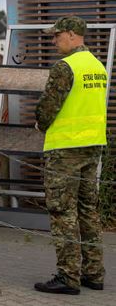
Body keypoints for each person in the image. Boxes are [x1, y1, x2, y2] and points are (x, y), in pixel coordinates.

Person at [33, 16, 106, 295]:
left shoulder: (65, 67)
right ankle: (94, 273)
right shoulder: (97, 66)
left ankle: (68, 277)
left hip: (65, 150)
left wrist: (40, 121)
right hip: (92, 146)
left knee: (63, 212)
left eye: (57, 35)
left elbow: (47, 107)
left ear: (74, 35)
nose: (54, 41)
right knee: (89, 211)